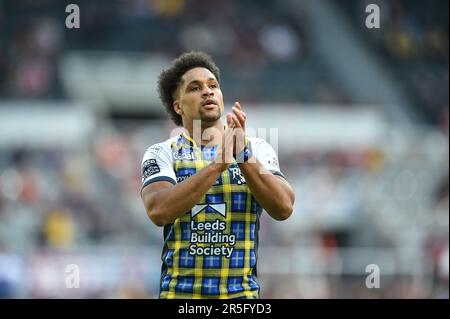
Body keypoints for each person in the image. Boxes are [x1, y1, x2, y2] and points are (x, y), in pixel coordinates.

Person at [140, 51, 295, 299]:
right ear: (177, 105)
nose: (208, 91)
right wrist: (217, 165)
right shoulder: (162, 152)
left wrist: (242, 155)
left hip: (241, 297)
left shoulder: (257, 149)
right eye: (195, 88)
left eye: (213, 85)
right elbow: (159, 211)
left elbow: (284, 208)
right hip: (180, 297)